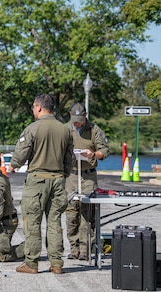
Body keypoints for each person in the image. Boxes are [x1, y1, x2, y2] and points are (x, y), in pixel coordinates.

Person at [9, 94, 73, 274]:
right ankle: (57, 263)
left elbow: (20, 155)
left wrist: (13, 166)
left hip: (37, 181)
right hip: (58, 180)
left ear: (38, 107)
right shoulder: (65, 130)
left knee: (33, 222)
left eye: (33, 108)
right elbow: (70, 159)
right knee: (54, 223)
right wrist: (63, 175)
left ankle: (31, 263)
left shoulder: (33, 128)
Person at [65, 102, 109, 261]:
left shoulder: (94, 130)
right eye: (74, 119)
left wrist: (93, 154)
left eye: (80, 120)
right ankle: (74, 248)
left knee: (87, 213)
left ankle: (85, 249)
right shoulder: (65, 129)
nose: (77, 123)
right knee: (71, 212)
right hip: (71, 175)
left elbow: (105, 150)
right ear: (70, 114)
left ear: (85, 115)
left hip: (88, 175)